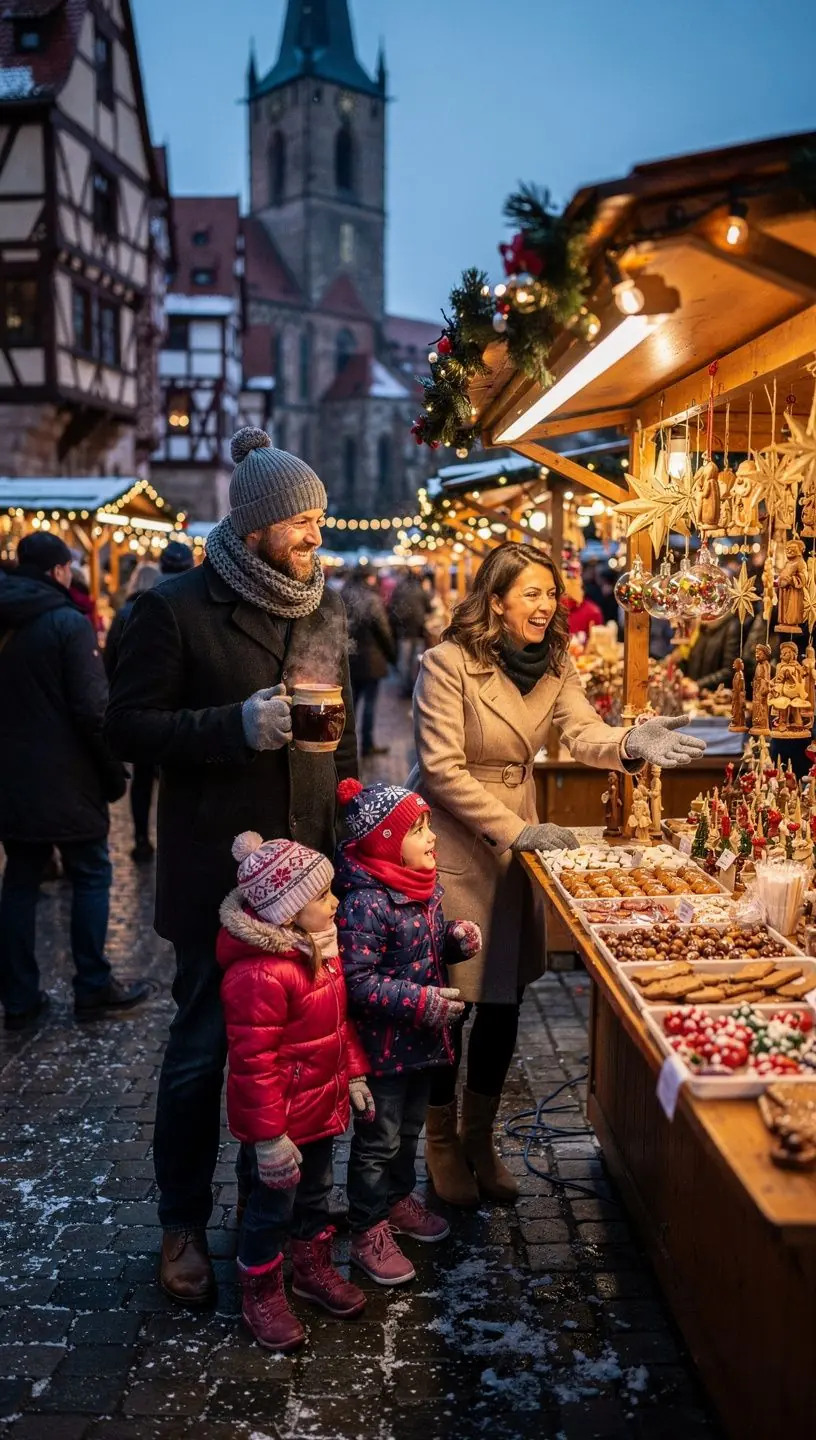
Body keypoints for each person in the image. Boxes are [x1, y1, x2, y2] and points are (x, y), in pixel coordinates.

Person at [104, 427, 358, 1306]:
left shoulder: (324, 610)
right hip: (219, 884)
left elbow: (344, 740)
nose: (317, 534)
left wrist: (353, 819)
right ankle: (181, 1224)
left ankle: (270, 1226)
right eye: (304, 520)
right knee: (202, 1058)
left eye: (320, 517)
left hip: (310, 885)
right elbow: (127, 727)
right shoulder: (172, 609)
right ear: (255, 528)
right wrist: (230, 727)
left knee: (293, 1064)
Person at [409, 541, 706, 1206]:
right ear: (497, 602)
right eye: (532, 594)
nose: (547, 605)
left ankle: (480, 1137)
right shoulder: (446, 663)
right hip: (456, 840)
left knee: (504, 996)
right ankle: (439, 1141)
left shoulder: (555, 662)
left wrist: (629, 743)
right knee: (450, 1003)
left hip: (521, 832)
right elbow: (440, 768)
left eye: (551, 593)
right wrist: (516, 830)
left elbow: (580, 731)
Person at [218, 830, 372, 1352]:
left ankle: (311, 1267)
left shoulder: (319, 950)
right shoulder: (260, 974)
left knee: (316, 1196)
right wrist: (266, 1138)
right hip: (282, 1125)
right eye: (323, 896)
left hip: (320, 1110)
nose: (336, 901)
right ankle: (259, 1289)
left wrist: (352, 1073)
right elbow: (251, 1066)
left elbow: (338, 1024)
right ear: (287, 912)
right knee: (271, 1210)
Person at [0, 533, 149, 1030]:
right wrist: (112, 772)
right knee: (90, 873)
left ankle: (18, 996)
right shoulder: (68, 623)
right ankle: (92, 983)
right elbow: (93, 710)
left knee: (20, 884)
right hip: (67, 778)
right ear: (59, 571)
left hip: (13, 777)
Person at [334, 778, 480, 1283]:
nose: (432, 838)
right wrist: (421, 1003)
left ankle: (398, 1201)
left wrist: (455, 941)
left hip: (420, 1044)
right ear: (386, 845)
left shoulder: (423, 888)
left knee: (410, 1130)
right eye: (419, 830)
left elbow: (428, 947)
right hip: (383, 1050)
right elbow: (356, 982)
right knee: (378, 1141)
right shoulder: (365, 904)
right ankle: (366, 1229)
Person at [105, 544, 195, 863]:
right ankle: (182, 841)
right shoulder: (193, 606)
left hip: (144, 710)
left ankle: (142, 837)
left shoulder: (132, 609)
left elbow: (110, 659)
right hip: (183, 712)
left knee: (144, 779)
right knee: (180, 779)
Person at [342, 566, 396, 758]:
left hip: (348, 658)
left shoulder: (342, 596)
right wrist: (391, 655)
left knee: (350, 704)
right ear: (369, 578)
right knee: (370, 704)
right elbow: (383, 630)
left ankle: (345, 746)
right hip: (371, 659)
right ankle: (367, 744)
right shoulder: (372, 599)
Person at [388, 572, 430, 697]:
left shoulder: (398, 589)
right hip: (418, 630)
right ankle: (414, 687)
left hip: (403, 631)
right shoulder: (420, 589)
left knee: (404, 661)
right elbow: (429, 608)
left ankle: (404, 688)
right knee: (415, 661)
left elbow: (392, 609)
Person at [679, 611, 741, 692]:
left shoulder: (732, 627)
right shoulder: (704, 627)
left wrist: (699, 685)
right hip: (697, 695)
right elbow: (694, 660)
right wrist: (684, 675)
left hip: (716, 697)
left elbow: (730, 671)